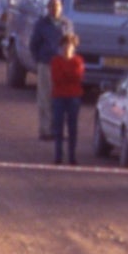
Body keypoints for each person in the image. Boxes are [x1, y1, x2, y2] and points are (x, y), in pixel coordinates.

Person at [31, 0, 66, 140]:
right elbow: (34, 44)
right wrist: (39, 60)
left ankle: (58, 130)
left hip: (62, 66)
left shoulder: (66, 24)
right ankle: (45, 130)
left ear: (61, 8)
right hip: (46, 64)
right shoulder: (41, 24)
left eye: (57, 6)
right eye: (52, 6)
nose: (55, 9)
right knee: (45, 98)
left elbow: (71, 43)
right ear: (48, 8)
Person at [49, 32, 85, 165]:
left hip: (73, 97)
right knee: (58, 128)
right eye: (65, 45)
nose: (67, 48)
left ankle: (72, 156)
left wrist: (65, 73)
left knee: (72, 128)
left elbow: (78, 77)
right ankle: (58, 156)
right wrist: (69, 74)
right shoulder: (55, 61)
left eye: (70, 46)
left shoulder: (78, 61)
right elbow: (56, 78)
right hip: (59, 96)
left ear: (74, 47)